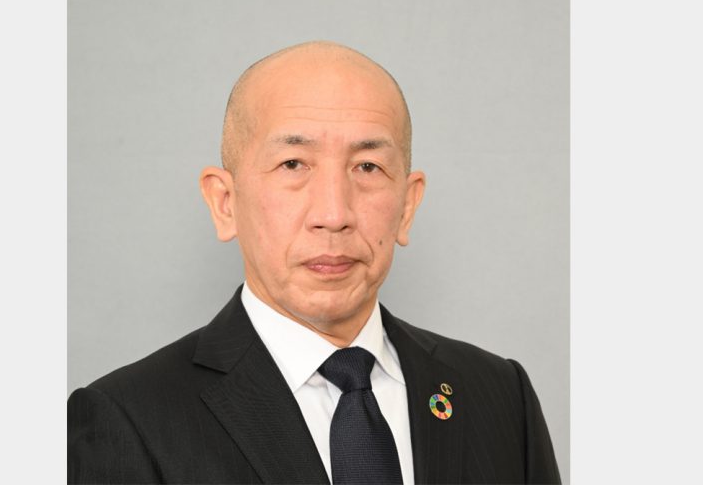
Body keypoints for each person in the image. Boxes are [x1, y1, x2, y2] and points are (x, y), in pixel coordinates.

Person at [68, 41, 561, 484]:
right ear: (225, 202)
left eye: (367, 167)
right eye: (293, 165)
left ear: (407, 206)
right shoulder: (128, 420)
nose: (333, 214)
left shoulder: (499, 394)